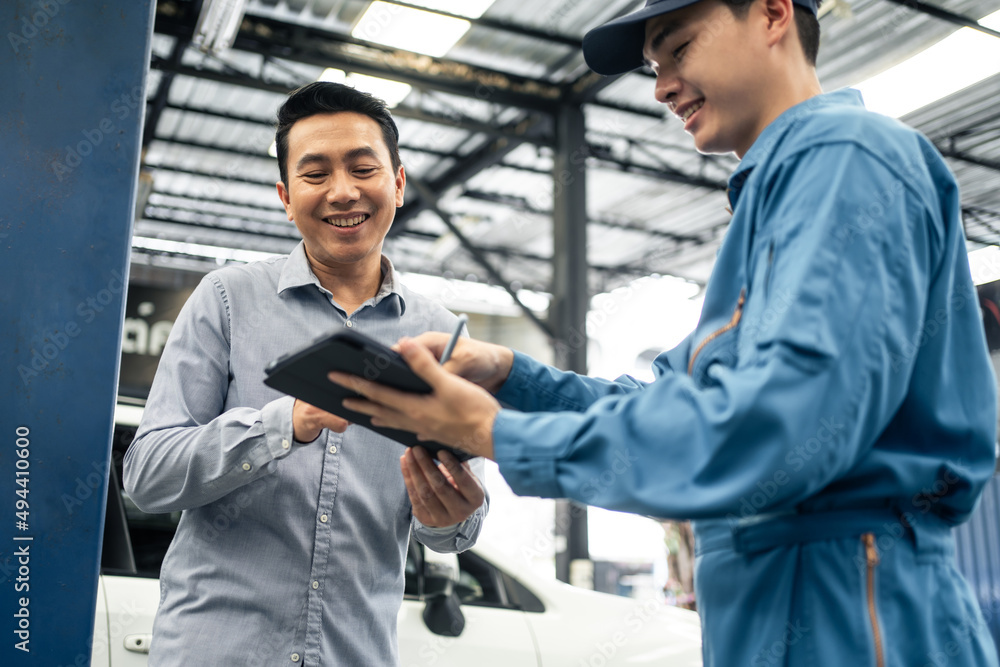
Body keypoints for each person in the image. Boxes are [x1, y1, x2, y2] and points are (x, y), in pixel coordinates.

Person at [328, 0, 1000, 665]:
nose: (661, 85)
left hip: (857, 615)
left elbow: (781, 432)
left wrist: (498, 433)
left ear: (772, 14)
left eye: (678, 48)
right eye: (654, 65)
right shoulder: (774, 201)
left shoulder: (848, 158)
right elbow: (675, 407)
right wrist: (512, 380)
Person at [123, 82, 488, 667]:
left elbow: (453, 530)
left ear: (397, 182)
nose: (343, 192)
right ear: (286, 197)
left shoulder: (444, 337)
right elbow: (146, 475)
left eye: (363, 168)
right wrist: (283, 423)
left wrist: (451, 519)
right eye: (315, 174)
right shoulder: (226, 300)